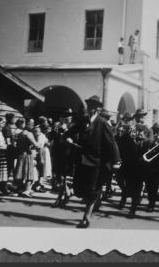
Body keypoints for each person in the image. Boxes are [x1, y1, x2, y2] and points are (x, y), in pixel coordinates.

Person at [72, 95, 121, 228]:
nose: (90, 108)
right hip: (82, 160)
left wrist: (116, 160)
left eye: (93, 106)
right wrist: (67, 139)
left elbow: (112, 143)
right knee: (79, 190)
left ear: (97, 108)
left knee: (92, 190)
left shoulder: (102, 123)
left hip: (96, 162)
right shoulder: (83, 121)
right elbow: (71, 132)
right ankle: (90, 208)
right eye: (89, 105)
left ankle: (86, 216)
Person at [14, 118, 40, 197]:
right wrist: (35, 147)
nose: (32, 126)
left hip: (21, 154)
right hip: (28, 154)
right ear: (26, 124)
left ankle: (20, 189)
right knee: (29, 173)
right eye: (31, 124)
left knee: (21, 172)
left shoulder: (20, 133)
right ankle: (27, 191)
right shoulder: (29, 134)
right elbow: (37, 145)